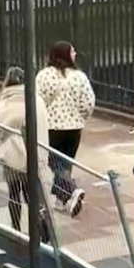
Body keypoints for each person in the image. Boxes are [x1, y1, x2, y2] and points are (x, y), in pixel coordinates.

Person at [36, 41, 95, 218]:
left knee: (54, 163)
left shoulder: (43, 76)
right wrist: (80, 117)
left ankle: (70, 192)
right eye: (73, 51)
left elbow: (37, 101)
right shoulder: (79, 77)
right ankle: (64, 199)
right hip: (73, 128)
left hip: (52, 127)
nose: (75, 54)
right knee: (65, 163)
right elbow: (88, 103)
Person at [0, 66, 51, 239]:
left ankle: (16, 228)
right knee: (31, 194)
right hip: (34, 155)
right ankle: (41, 230)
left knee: (13, 193)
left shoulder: (6, 103)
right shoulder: (36, 100)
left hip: (12, 156)